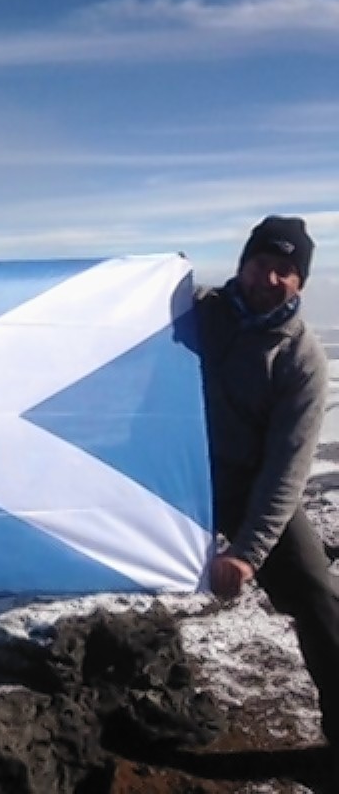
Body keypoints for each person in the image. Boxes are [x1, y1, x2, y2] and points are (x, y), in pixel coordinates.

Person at [196, 215, 338, 754]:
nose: (272, 278)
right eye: (263, 264)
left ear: (300, 281)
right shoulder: (195, 314)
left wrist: (248, 552)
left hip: (250, 486)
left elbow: (287, 468)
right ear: (243, 265)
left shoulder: (301, 358)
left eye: (287, 270)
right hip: (177, 476)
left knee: (318, 596)